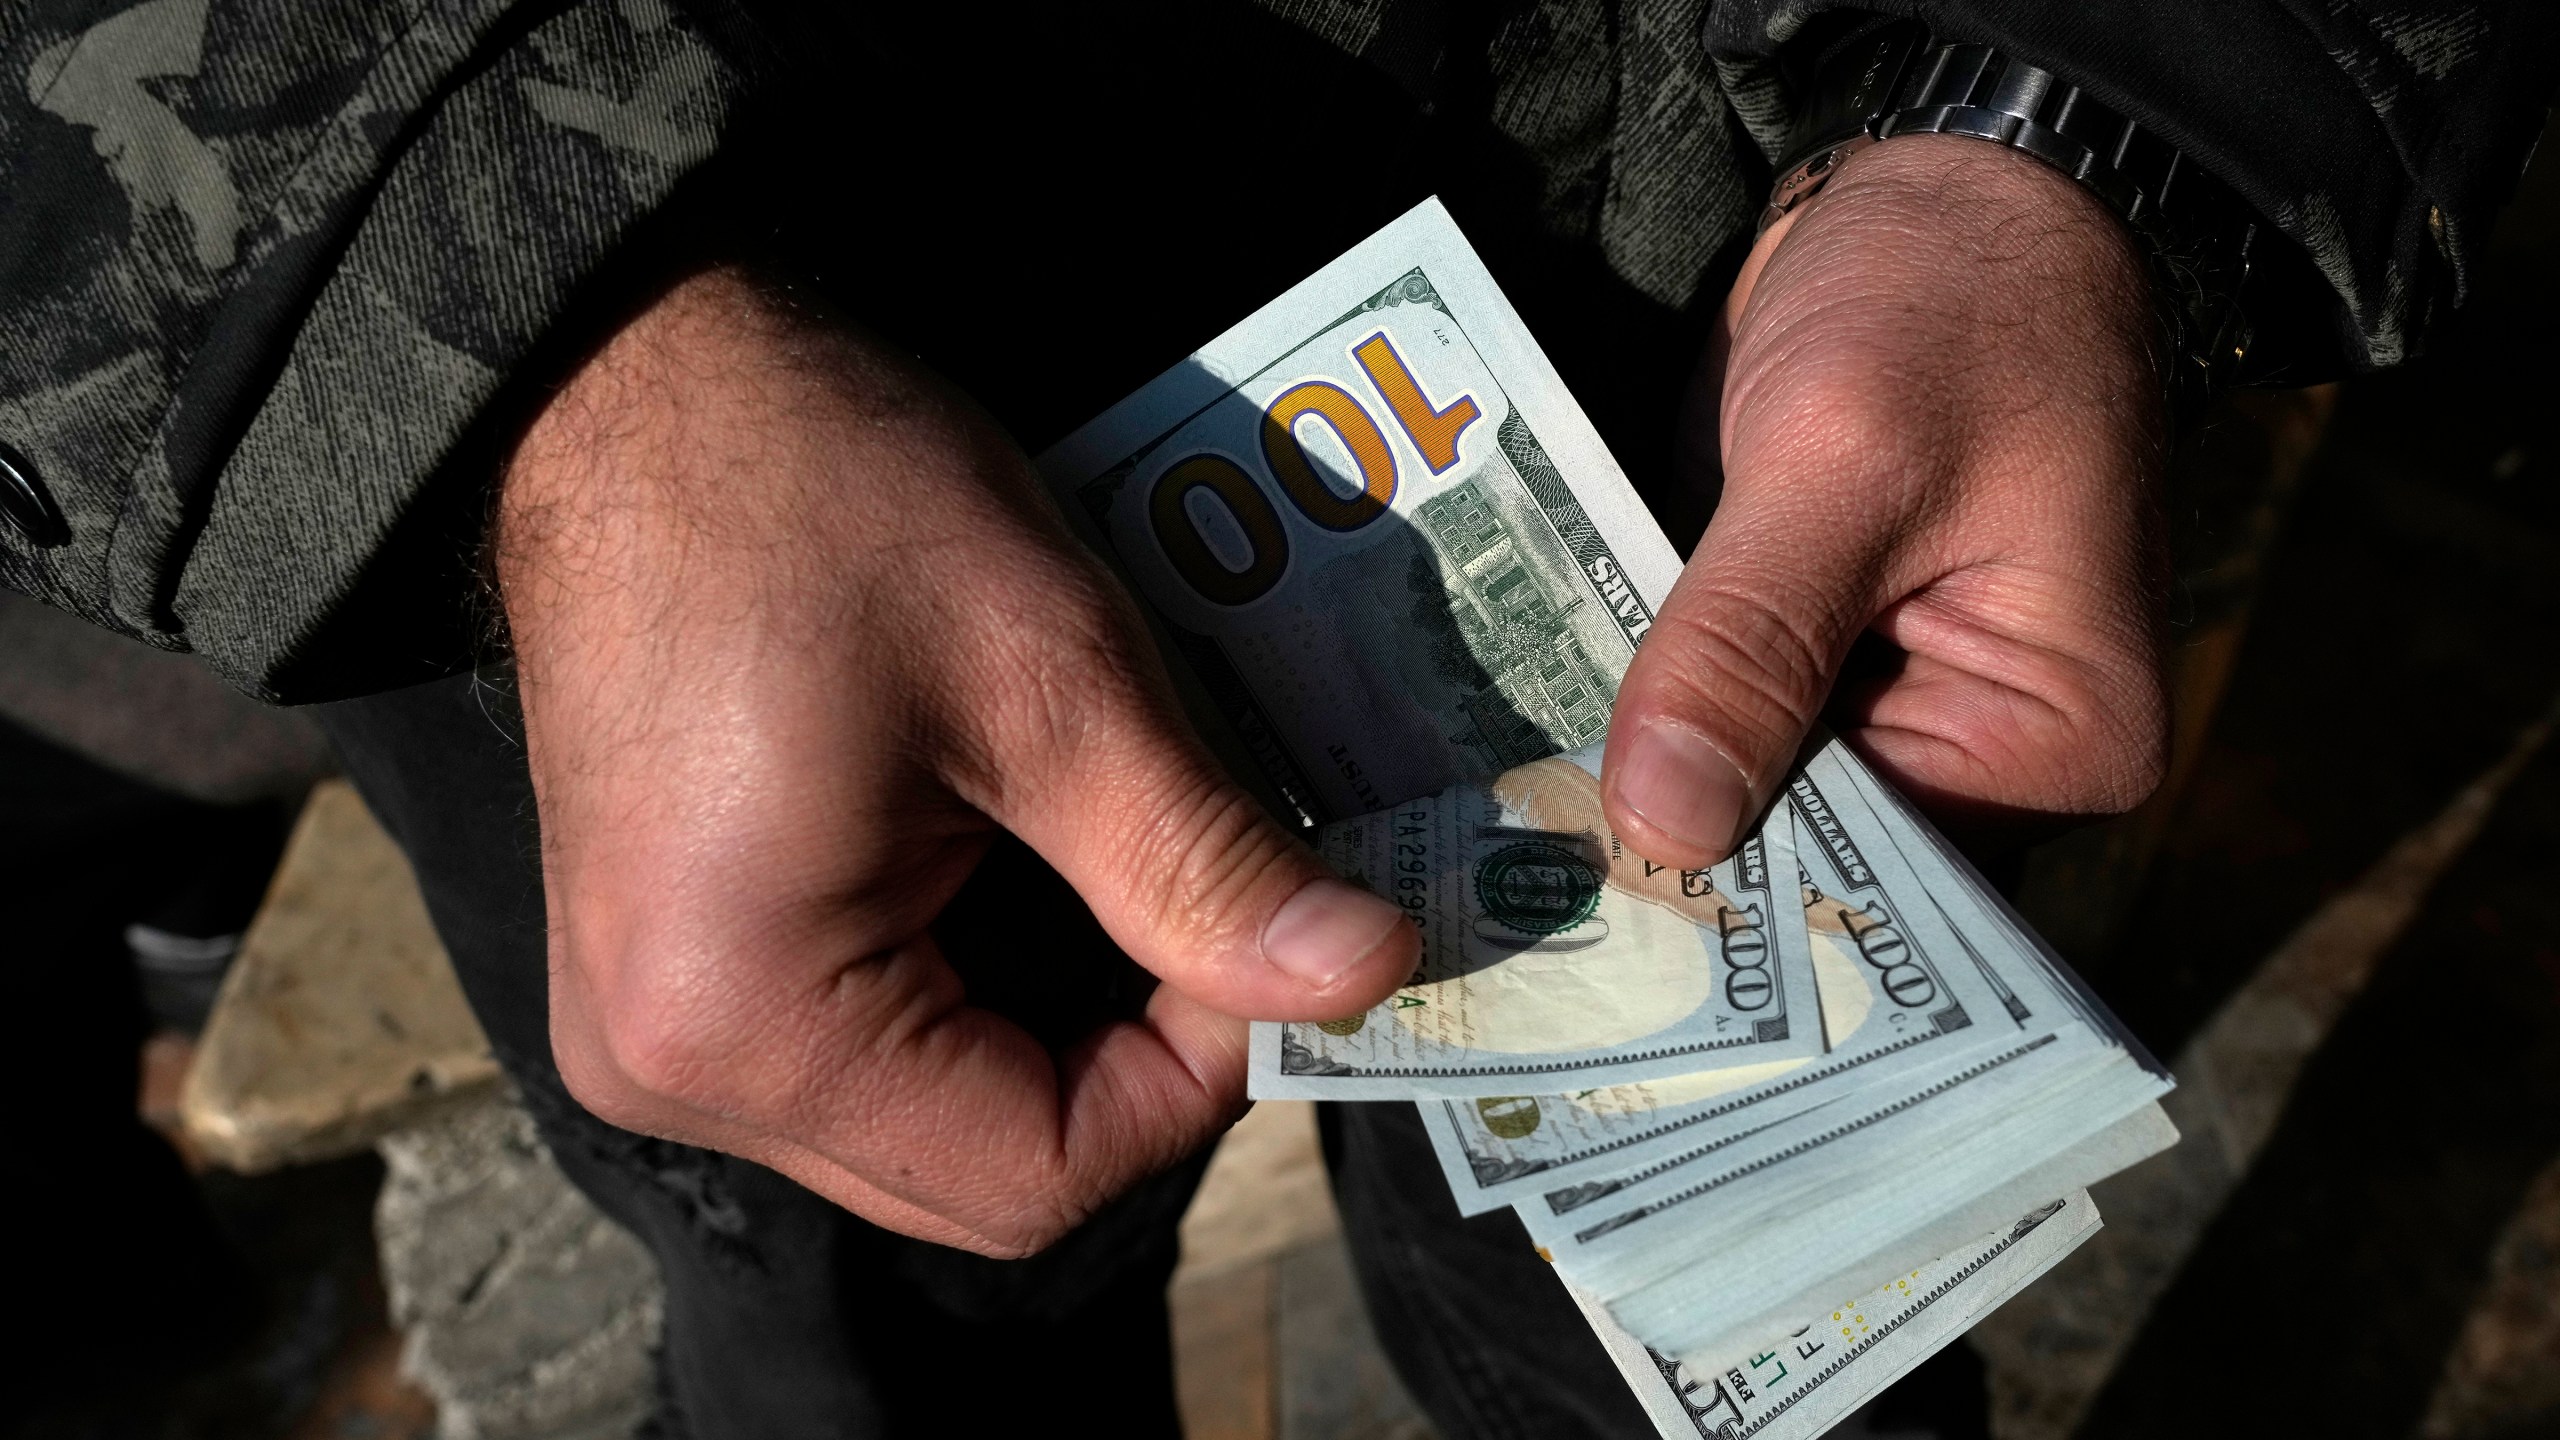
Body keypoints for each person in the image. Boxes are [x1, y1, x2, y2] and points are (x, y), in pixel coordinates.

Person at [3, 3, 2551, 1434]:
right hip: (657, 563)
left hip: (1711, 307)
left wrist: (2075, 124)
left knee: (1722, 1333)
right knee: (852, 1295)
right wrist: (481, 362)